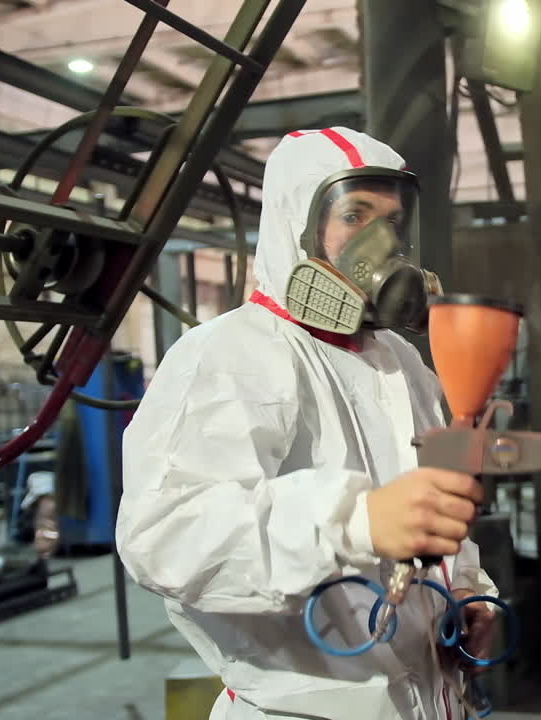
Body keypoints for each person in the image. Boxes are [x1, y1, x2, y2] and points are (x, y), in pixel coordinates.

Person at [116, 127, 498, 720]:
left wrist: (468, 595)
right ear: (297, 224)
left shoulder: (402, 361)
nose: (381, 244)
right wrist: (355, 520)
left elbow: (434, 514)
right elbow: (164, 538)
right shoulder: (229, 355)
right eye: (354, 215)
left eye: (393, 223)